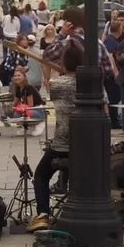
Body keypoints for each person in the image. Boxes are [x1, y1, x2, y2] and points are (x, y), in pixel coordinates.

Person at [29, 43, 84, 232]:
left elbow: (54, 89)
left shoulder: (56, 85)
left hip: (61, 144)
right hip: (86, 146)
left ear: (63, 62)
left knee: (41, 175)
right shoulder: (92, 84)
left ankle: (43, 214)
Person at [6, 66, 45, 136]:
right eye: (15, 76)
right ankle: (28, 126)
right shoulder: (18, 88)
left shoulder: (28, 87)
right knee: (14, 115)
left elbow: (30, 106)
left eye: (19, 75)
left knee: (24, 112)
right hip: (27, 109)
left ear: (24, 77)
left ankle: (40, 122)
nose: (16, 77)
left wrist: (19, 109)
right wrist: (10, 108)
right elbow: (15, 102)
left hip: (37, 110)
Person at [104, 20, 124, 130]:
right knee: (113, 97)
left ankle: (114, 119)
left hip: (111, 74)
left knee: (113, 97)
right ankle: (113, 121)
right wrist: (115, 70)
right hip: (112, 75)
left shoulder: (110, 39)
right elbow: (110, 56)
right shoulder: (111, 41)